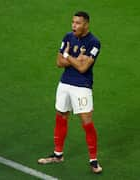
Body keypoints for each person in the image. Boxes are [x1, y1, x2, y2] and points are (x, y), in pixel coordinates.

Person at [37, 11, 102, 173]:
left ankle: (93, 161)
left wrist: (68, 55)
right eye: (73, 22)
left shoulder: (94, 43)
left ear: (86, 24)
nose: (74, 26)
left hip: (82, 86)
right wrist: (75, 58)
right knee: (61, 115)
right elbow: (59, 62)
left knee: (86, 122)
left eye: (78, 23)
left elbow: (83, 67)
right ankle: (58, 154)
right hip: (65, 84)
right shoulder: (67, 37)